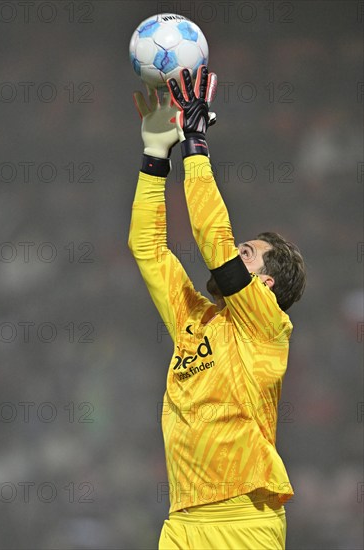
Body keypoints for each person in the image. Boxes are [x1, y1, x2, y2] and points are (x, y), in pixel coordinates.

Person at [128, 66, 306, 550]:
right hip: (182, 519)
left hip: (244, 517)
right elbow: (148, 249)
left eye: (248, 254)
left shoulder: (267, 327)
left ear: (264, 284)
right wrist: (154, 154)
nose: (235, 254)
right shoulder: (196, 321)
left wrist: (196, 144)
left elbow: (213, 243)